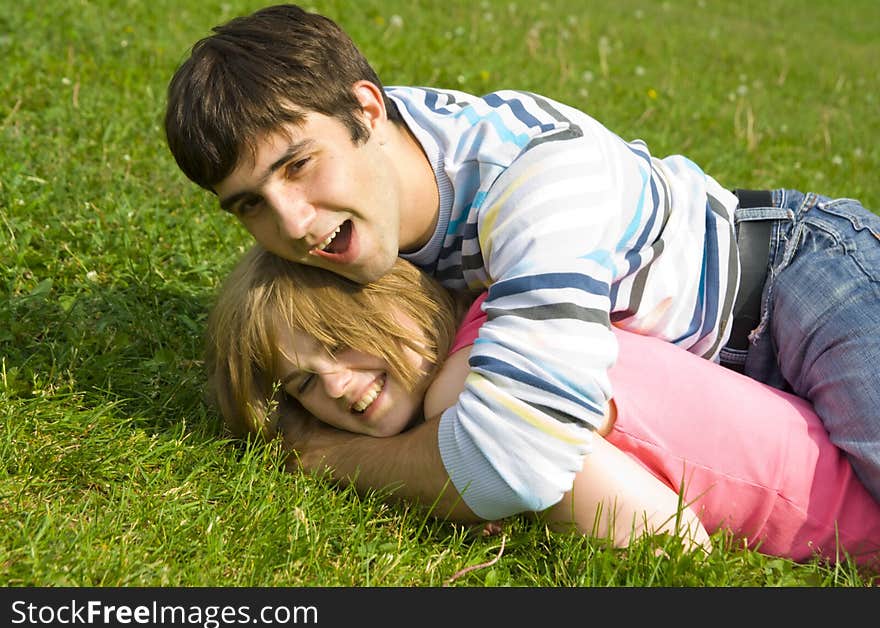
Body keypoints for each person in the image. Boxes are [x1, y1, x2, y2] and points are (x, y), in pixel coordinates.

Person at [165, 4, 880, 525]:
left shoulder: (535, 181)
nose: (290, 224)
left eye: (299, 165)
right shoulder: (357, 194)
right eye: (249, 204)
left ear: (367, 109)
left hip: (801, 278)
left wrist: (329, 457)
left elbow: (515, 459)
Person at [205, 245, 880, 566]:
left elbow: (674, 545)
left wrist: (336, 460)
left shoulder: (476, 386)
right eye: (302, 384)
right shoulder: (511, 313)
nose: (336, 385)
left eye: (339, 341)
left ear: (398, 303)